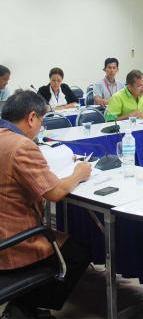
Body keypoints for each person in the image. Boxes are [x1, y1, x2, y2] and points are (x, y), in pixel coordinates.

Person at [0, 90, 92, 319]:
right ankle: (28, 306)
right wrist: (79, 174)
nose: (40, 128)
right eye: (41, 121)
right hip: (12, 241)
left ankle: (24, 304)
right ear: (32, 117)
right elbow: (55, 193)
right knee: (79, 252)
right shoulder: (21, 145)